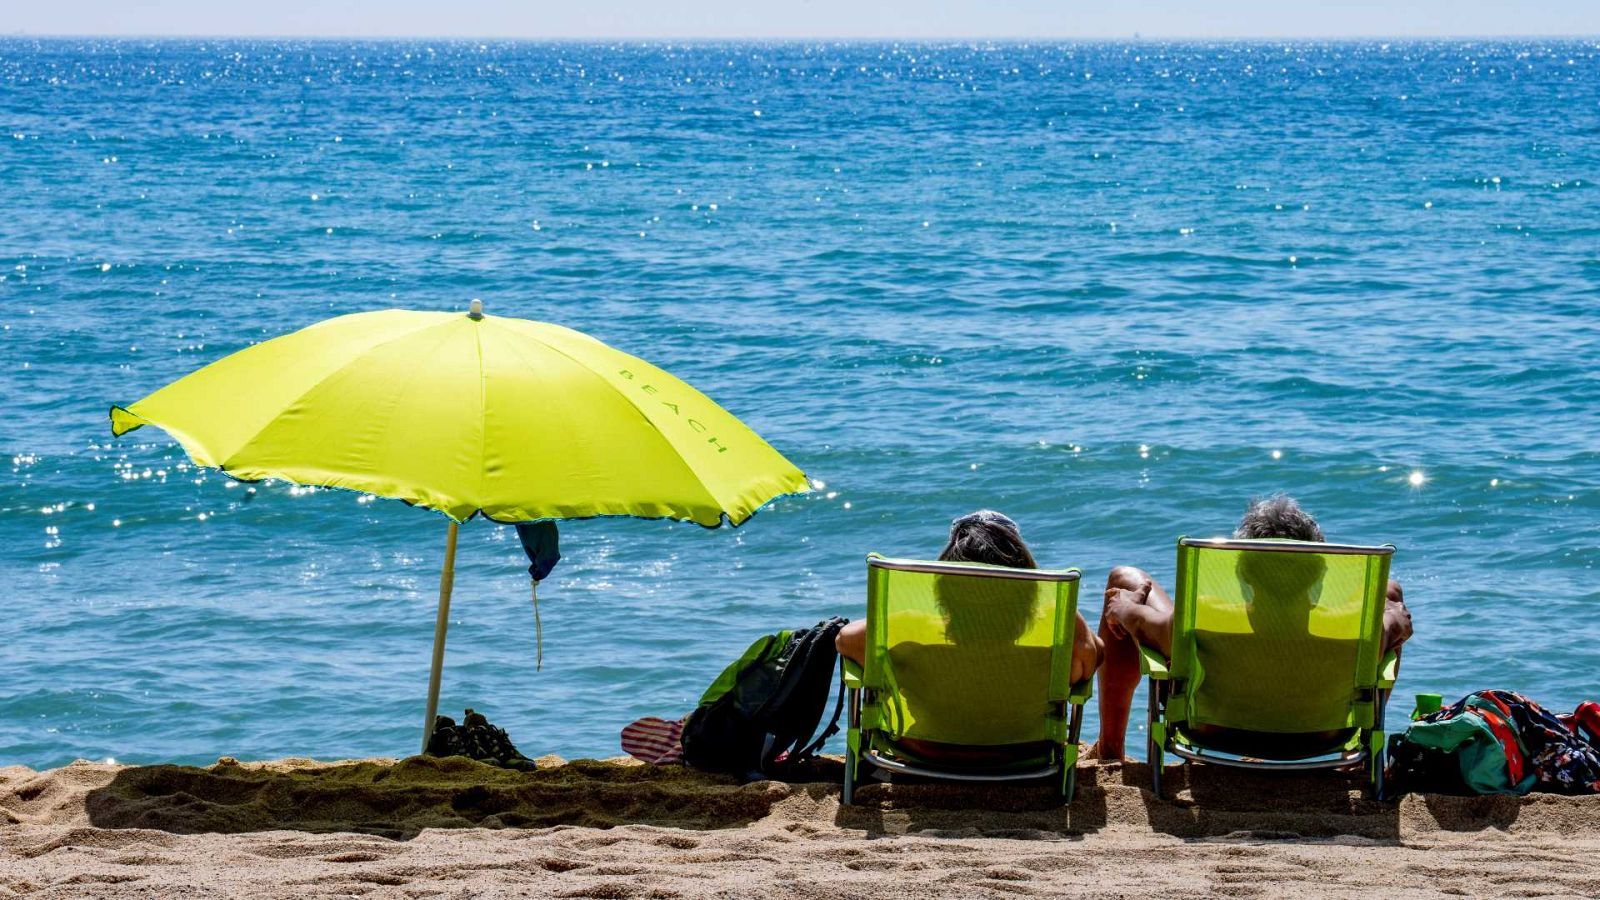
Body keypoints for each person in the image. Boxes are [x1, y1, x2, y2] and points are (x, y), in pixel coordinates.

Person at [1089, 494, 1414, 761]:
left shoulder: (1203, 619)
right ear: (1319, 573)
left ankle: (1111, 750)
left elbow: (1138, 621)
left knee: (1125, 578)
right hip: (1324, 736)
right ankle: (1358, 759)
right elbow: (1395, 616)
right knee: (1390, 593)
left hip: (1217, 732)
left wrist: (1124, 607)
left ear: (1241, 571)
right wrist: (1392, 617)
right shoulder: (1356, 629)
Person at [835, 510, 1103, 762]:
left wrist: (895, 673)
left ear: (945, 585)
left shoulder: (910, 627)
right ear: (1027, 585)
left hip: (925, 751)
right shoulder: (1058, 624)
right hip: (1023, 754)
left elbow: (845, 640)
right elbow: (1092, 658)